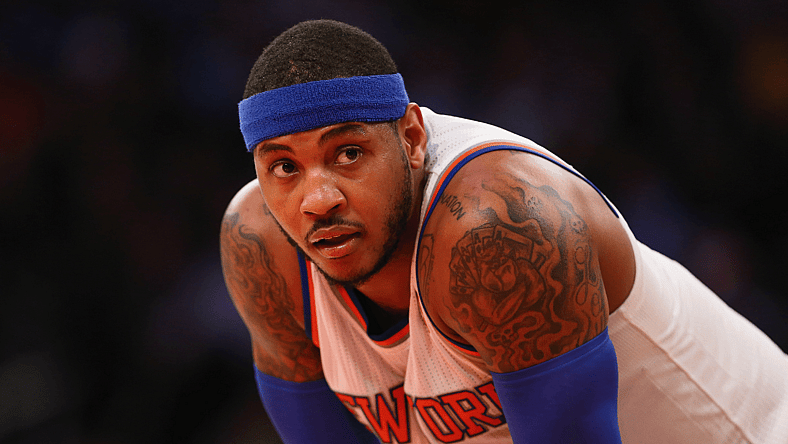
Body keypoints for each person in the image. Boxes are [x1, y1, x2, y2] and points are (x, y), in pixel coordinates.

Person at [219, 19, 788, 444]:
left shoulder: (495, 228)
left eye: (348, 153)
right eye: (284, 166)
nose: (318, 199)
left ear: (412, 138)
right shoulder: (259, 247)